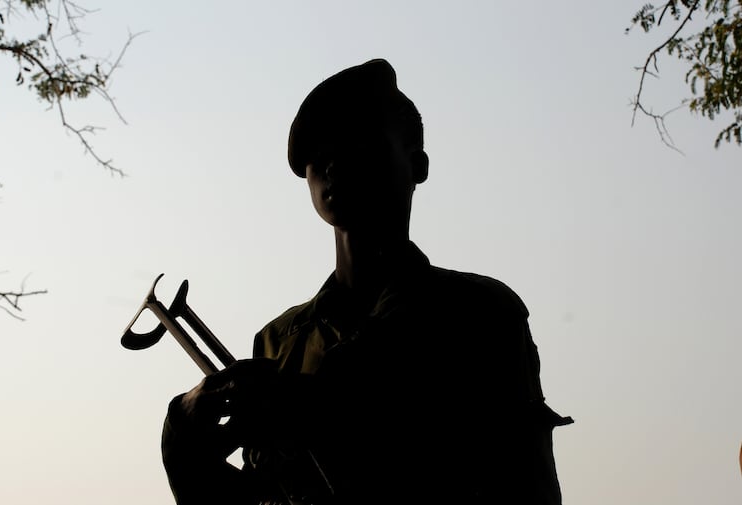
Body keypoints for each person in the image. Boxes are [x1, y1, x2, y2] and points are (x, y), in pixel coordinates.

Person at [161, 58, 573, 505]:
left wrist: (311, 407)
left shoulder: (477, 312)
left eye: (359, 142)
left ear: (418, 165)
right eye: (319, 154)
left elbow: (524, 484)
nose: (334, 162)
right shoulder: (279, 341)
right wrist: (182, 444)